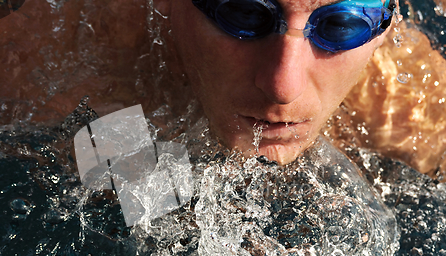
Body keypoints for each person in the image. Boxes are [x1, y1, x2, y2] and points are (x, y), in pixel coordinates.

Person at [153, 0, 395, 165]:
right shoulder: (120, 90)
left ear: (387, 26)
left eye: (341, 25)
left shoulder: (404, 114)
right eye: (244, 12)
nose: (283, 89)